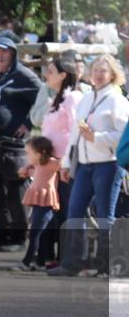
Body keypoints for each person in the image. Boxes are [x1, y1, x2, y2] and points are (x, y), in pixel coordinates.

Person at [50, 54, 129, 277]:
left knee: (105, 215)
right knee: (74, 211)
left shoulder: (118, 101)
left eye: (103, 70)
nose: (98, 74)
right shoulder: (86, 99)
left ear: (112, 75)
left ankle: (107, 265)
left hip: (108, 164)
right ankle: (73, 262)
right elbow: (75, 134)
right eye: (95, 70)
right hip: (85, 164)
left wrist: (97, 138)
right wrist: (67, 163)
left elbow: (123, 136)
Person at [0, 36, 43, 252]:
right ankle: (4, 236)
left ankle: (18, 238)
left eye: (5, 51)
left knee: (15, 194)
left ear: (13, 54)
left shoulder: (23, 75)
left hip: (14, 145)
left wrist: (28, 123)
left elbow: (44, 98)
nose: (0, 55)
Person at [33, 55, 82, 268]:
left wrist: (66, 163)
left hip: (64, 165)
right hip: (49, 164)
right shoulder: (56, 99)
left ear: (63, 75)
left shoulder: (72, 99)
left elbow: (75, 132)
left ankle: (67, 258)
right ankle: (48, 256)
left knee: (65, 212)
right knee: (51, 210)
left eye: (51, 71)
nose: (46, 74)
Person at [14, 136, 62, 271]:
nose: (26, 156)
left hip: (46, 203)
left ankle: (27, 262)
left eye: (28, 153)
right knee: (40, 233)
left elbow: (63, 165)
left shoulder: (52, 163)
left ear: (40, 153)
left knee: (35, 233)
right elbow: (33, 171)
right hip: (38, 201)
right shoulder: (37, 164)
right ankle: (40, 262)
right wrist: (26, 170)